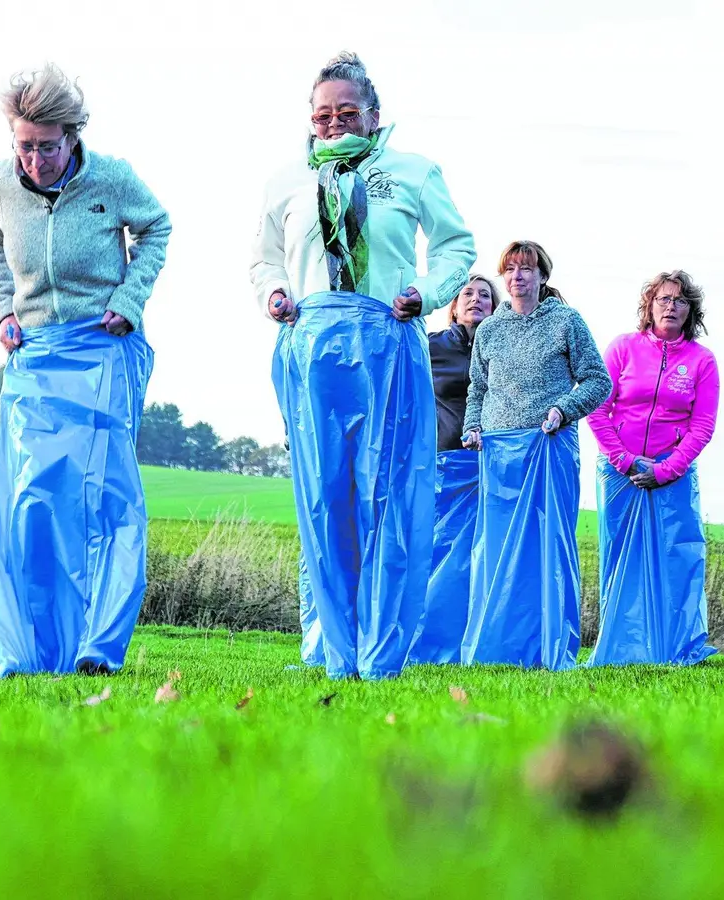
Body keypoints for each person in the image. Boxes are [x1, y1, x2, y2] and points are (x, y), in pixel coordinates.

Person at [251, 51, 477, 681]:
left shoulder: (413, 171)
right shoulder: (286, 182)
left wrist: (425, 295)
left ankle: (382, 651)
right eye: (323, 114)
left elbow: (458, 246)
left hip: (387, 341)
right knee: (325, 498)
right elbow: (264, 258)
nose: (333, 124)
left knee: (387, 492)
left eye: (347, 112)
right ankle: (332, 647)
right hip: (314, 348)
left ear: (374, 116)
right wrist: (273, 294)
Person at [0, 63, 172, 678]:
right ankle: (32, 651)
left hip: (102, 349)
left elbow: (157, 228)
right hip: (33, 356)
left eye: (46, 147)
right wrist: (3, 308)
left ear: (72, 136)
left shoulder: (111, 179)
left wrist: (130, 299)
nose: (34, 161)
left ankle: (97, 647)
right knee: (31, 501)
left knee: (103, 501)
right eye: (23, 147)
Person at [459, 241, 611, 670]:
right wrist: (473, 426)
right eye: (510, 269)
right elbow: (478, 389)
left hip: (548, 448)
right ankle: (496, 647)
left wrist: (563, 410)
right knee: (497, 549)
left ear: (543, 276)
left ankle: (548, 647)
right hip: (499, 455)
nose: (518, 276)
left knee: (548, 548)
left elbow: (598, 382)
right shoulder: (490, 330)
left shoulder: (566, 322)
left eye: (527, 268)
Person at [586, 270, 719, 666]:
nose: (671, 306)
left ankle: (674, 648)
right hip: (619, 473)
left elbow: (703, 425)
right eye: (663, 299)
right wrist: (624, 460)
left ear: (690, 311)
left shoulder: (701, 361)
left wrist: (665, 470)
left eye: (680, 301)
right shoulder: (623, 348)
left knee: (676, 561)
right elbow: (597, 407)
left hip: (671, 477)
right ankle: (620, 649)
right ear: (649, 305)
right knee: (619, 561)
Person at [408, 276, 500, 664]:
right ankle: (425, 641)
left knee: (478, 560)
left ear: (496, 308)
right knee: (438, 554)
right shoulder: (432, 347)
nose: (476, 300)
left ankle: (473, 642)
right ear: (454, 304)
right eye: (468, 294)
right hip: (445, 464)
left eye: (485, 295)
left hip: (492, 468)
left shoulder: (504, 349)